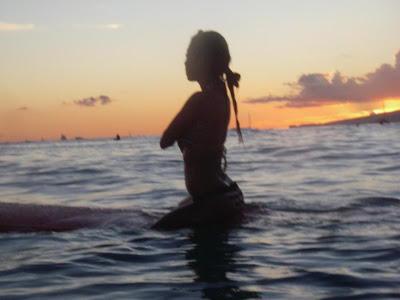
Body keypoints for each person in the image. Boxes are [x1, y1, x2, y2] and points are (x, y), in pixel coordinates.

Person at [151, 30, 244, 230]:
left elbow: (164, 141)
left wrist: (184, 137)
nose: (185, 63)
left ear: (205, 61)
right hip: (229, 194)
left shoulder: (199, 100)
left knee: (152, 232)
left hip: (213, 201)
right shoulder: (222, 98)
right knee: (178, 208)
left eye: (189, 57)